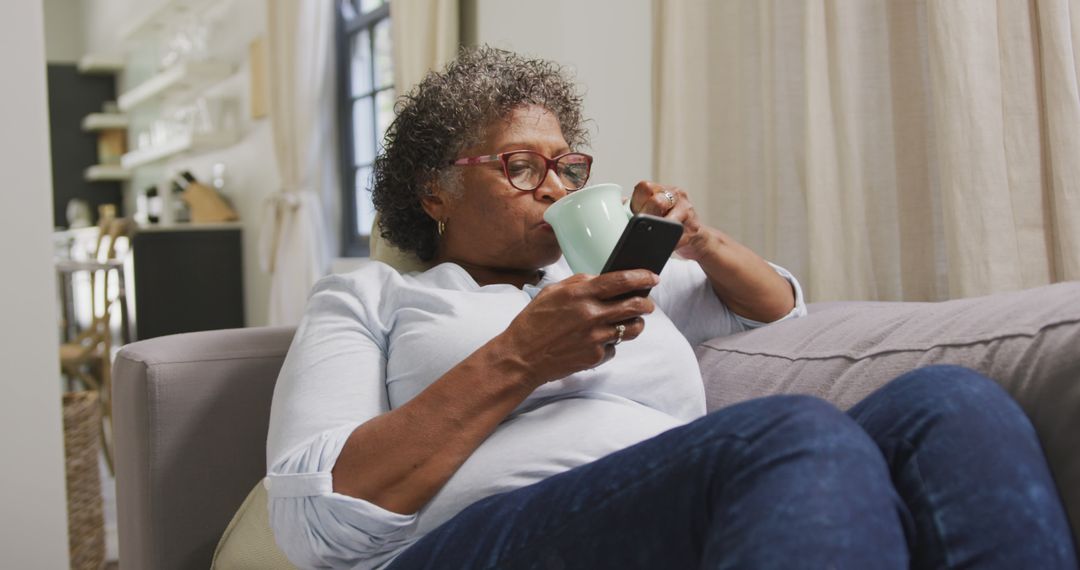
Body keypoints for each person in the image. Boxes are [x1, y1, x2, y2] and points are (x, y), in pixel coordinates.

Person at [265, 46, 1076, 570]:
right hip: (469, 544)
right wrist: (519, 358)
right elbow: (314, 517)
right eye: (519, 166)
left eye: (568, 167)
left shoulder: (608, 277)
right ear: (434, 188)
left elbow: (776, 311)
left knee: (954, 404)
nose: (553, 187)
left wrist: (694, 241)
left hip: (684, 498)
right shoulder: (373, 294)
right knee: (791, 433)